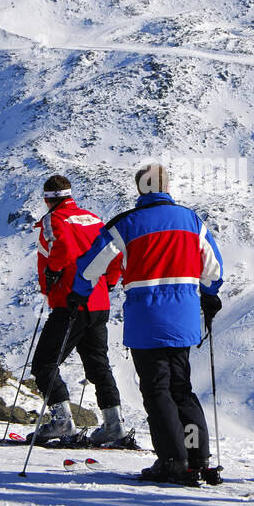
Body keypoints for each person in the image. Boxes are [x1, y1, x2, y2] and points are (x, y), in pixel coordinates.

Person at [70, 163, 224, 486]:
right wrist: (209, 296)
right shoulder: (192, 220)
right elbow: (214, 269)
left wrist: (78, 294)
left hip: (147, 322)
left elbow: (90, 266)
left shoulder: (128, 224)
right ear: (168, 186)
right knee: (182, 389)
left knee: (158, 391)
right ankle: (197, 456)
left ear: (140, 189)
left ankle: (173, 461)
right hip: (183, 321)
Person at [28, 174, 130, 446]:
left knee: (44, 363)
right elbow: (115, 253)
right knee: (98, 365)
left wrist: (52, 272)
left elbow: (60, 248)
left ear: (48, 199)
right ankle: (114, 425)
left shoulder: (54, 220)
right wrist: (107, 282)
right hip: (98, 304)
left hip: (69, 302)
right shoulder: (94, 219)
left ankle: (62, 422)